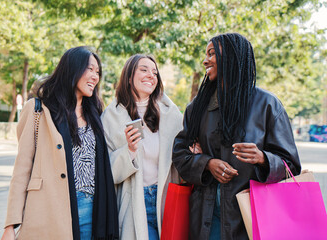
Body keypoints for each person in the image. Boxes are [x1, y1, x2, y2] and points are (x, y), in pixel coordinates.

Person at [172, 33, 301, 240]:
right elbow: (180, 155)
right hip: (207, 219)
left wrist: (263, 158)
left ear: (232, 56)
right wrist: (207, 163)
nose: (205, 60)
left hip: (253, 218)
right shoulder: (197, 107)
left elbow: (291, 166)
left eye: (212, 53)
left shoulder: (267, 105)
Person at [1, 46, 118, 240]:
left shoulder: (95, 113)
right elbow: (22, 169)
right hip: (51, 209)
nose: (95, 76)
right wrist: (10, 225)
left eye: (98, 72)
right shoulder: (38, 109)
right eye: (90, 69)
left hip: (93, 210)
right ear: (72, 68)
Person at [101, 54, 183, 239]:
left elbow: (182, 155)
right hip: (133, 202)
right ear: (129, 77)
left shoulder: (171, 113)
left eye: (154, 72)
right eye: (144, 70)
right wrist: (129, 150)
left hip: (166, 200)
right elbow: (106, 171)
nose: (151, 75)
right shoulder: (111, 117)